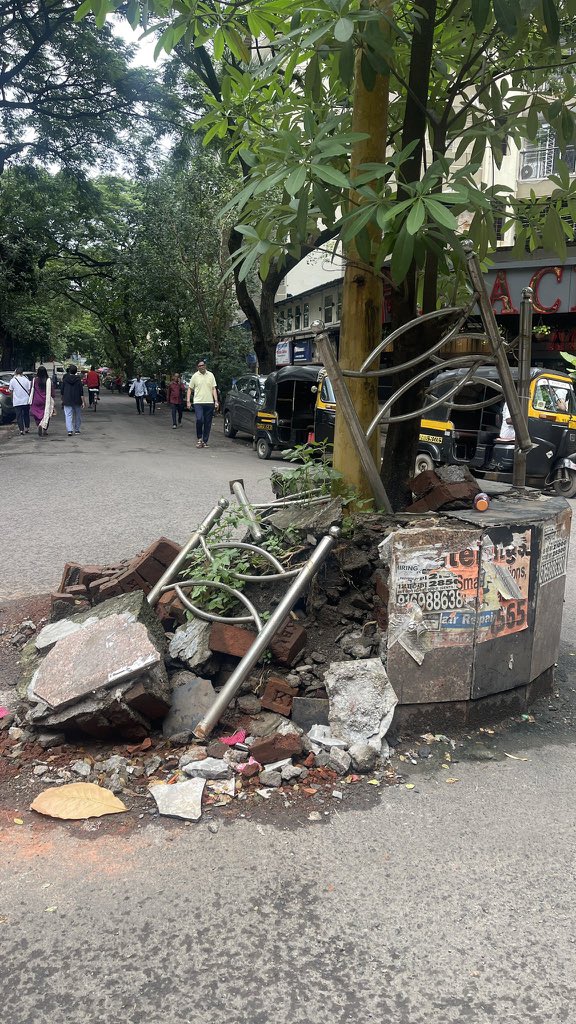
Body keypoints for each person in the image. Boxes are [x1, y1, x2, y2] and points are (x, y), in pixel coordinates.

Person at [186, 359, 219, 448]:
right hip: (198, 402)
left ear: (205, 366)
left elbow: (213, 389)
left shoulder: (211, 375)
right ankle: (199, 438)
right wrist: (188, 401)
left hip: (209, 402)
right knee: (199, 419)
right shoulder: (195, 376)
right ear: (197, 367)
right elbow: (190, 389)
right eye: (200, 366)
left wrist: (216, 401)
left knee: (208, 422)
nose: (202, 367)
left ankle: (205, 441)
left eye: (203, 365)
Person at [29, 366, 54, 437]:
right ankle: (44, 429)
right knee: (46, 414)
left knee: (37, 414)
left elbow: (31, 389)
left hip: (36, 400)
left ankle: (39, 424)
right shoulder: (48, 380)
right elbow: (52, 391)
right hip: (45, 401)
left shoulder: (34, 380)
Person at [61, 364, 85, 436]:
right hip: (77, 399)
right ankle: (77, 430)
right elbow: (81, 392)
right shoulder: (78, 380)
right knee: (78, 415)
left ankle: (69, 430)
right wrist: (83, 401)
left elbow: (62, 391)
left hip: (67, 399)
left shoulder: (65, 379)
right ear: (76, 371)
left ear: (69, 371)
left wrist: (62, 399)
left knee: (68, 415)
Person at [8, 369, 31, 435]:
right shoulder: (26, 380)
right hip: (26, 400)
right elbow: (29, 390)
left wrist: (12, 399)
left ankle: (21, 430)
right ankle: (27, 428)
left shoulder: (12, 380)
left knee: (19, 416)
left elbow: (11, 391)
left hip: (17, 401)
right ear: (22, 373)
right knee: (26, 414)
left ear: (15, 372)